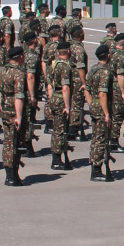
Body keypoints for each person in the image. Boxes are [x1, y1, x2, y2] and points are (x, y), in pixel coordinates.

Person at [0, 46, 27, 186]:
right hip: (14, 110)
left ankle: (10, 174)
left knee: (8, 142)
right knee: (15, 143)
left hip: (5, 109)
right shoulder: (18, 73)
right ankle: (12, 174)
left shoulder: (2, 71)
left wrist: (2, 108)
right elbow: (19, 97)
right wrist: (19, 116)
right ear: (19, 57)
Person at [85, 43, 114, 182]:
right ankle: (96, 169)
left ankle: (95, 166)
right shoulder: (104, 72)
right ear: (107, 55)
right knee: (101, 139)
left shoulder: (93, 69)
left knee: (96, 138)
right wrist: (106, 113)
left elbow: (87, 89)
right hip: (102, 108)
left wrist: (92, 104)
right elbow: (102, 94)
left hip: (95, 106)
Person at [47, 40, 73, 171]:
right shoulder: (64, 66)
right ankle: (56, 160)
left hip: (54, 98)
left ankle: (57, 157)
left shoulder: (54, 64)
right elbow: (65, 88)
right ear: (68, 51)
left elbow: (50, 84)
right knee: (60, 130)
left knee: (58, 129)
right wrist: (67, 106)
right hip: (61, 99)